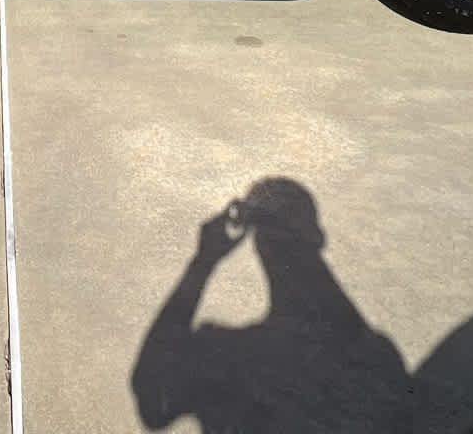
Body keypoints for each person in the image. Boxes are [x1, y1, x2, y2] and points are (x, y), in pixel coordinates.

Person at [131, 178, 410, 433]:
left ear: (257, 245)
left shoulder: (229, 358)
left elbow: (153, 399)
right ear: (317, 237)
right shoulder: (374, 356)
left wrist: (203, 262)